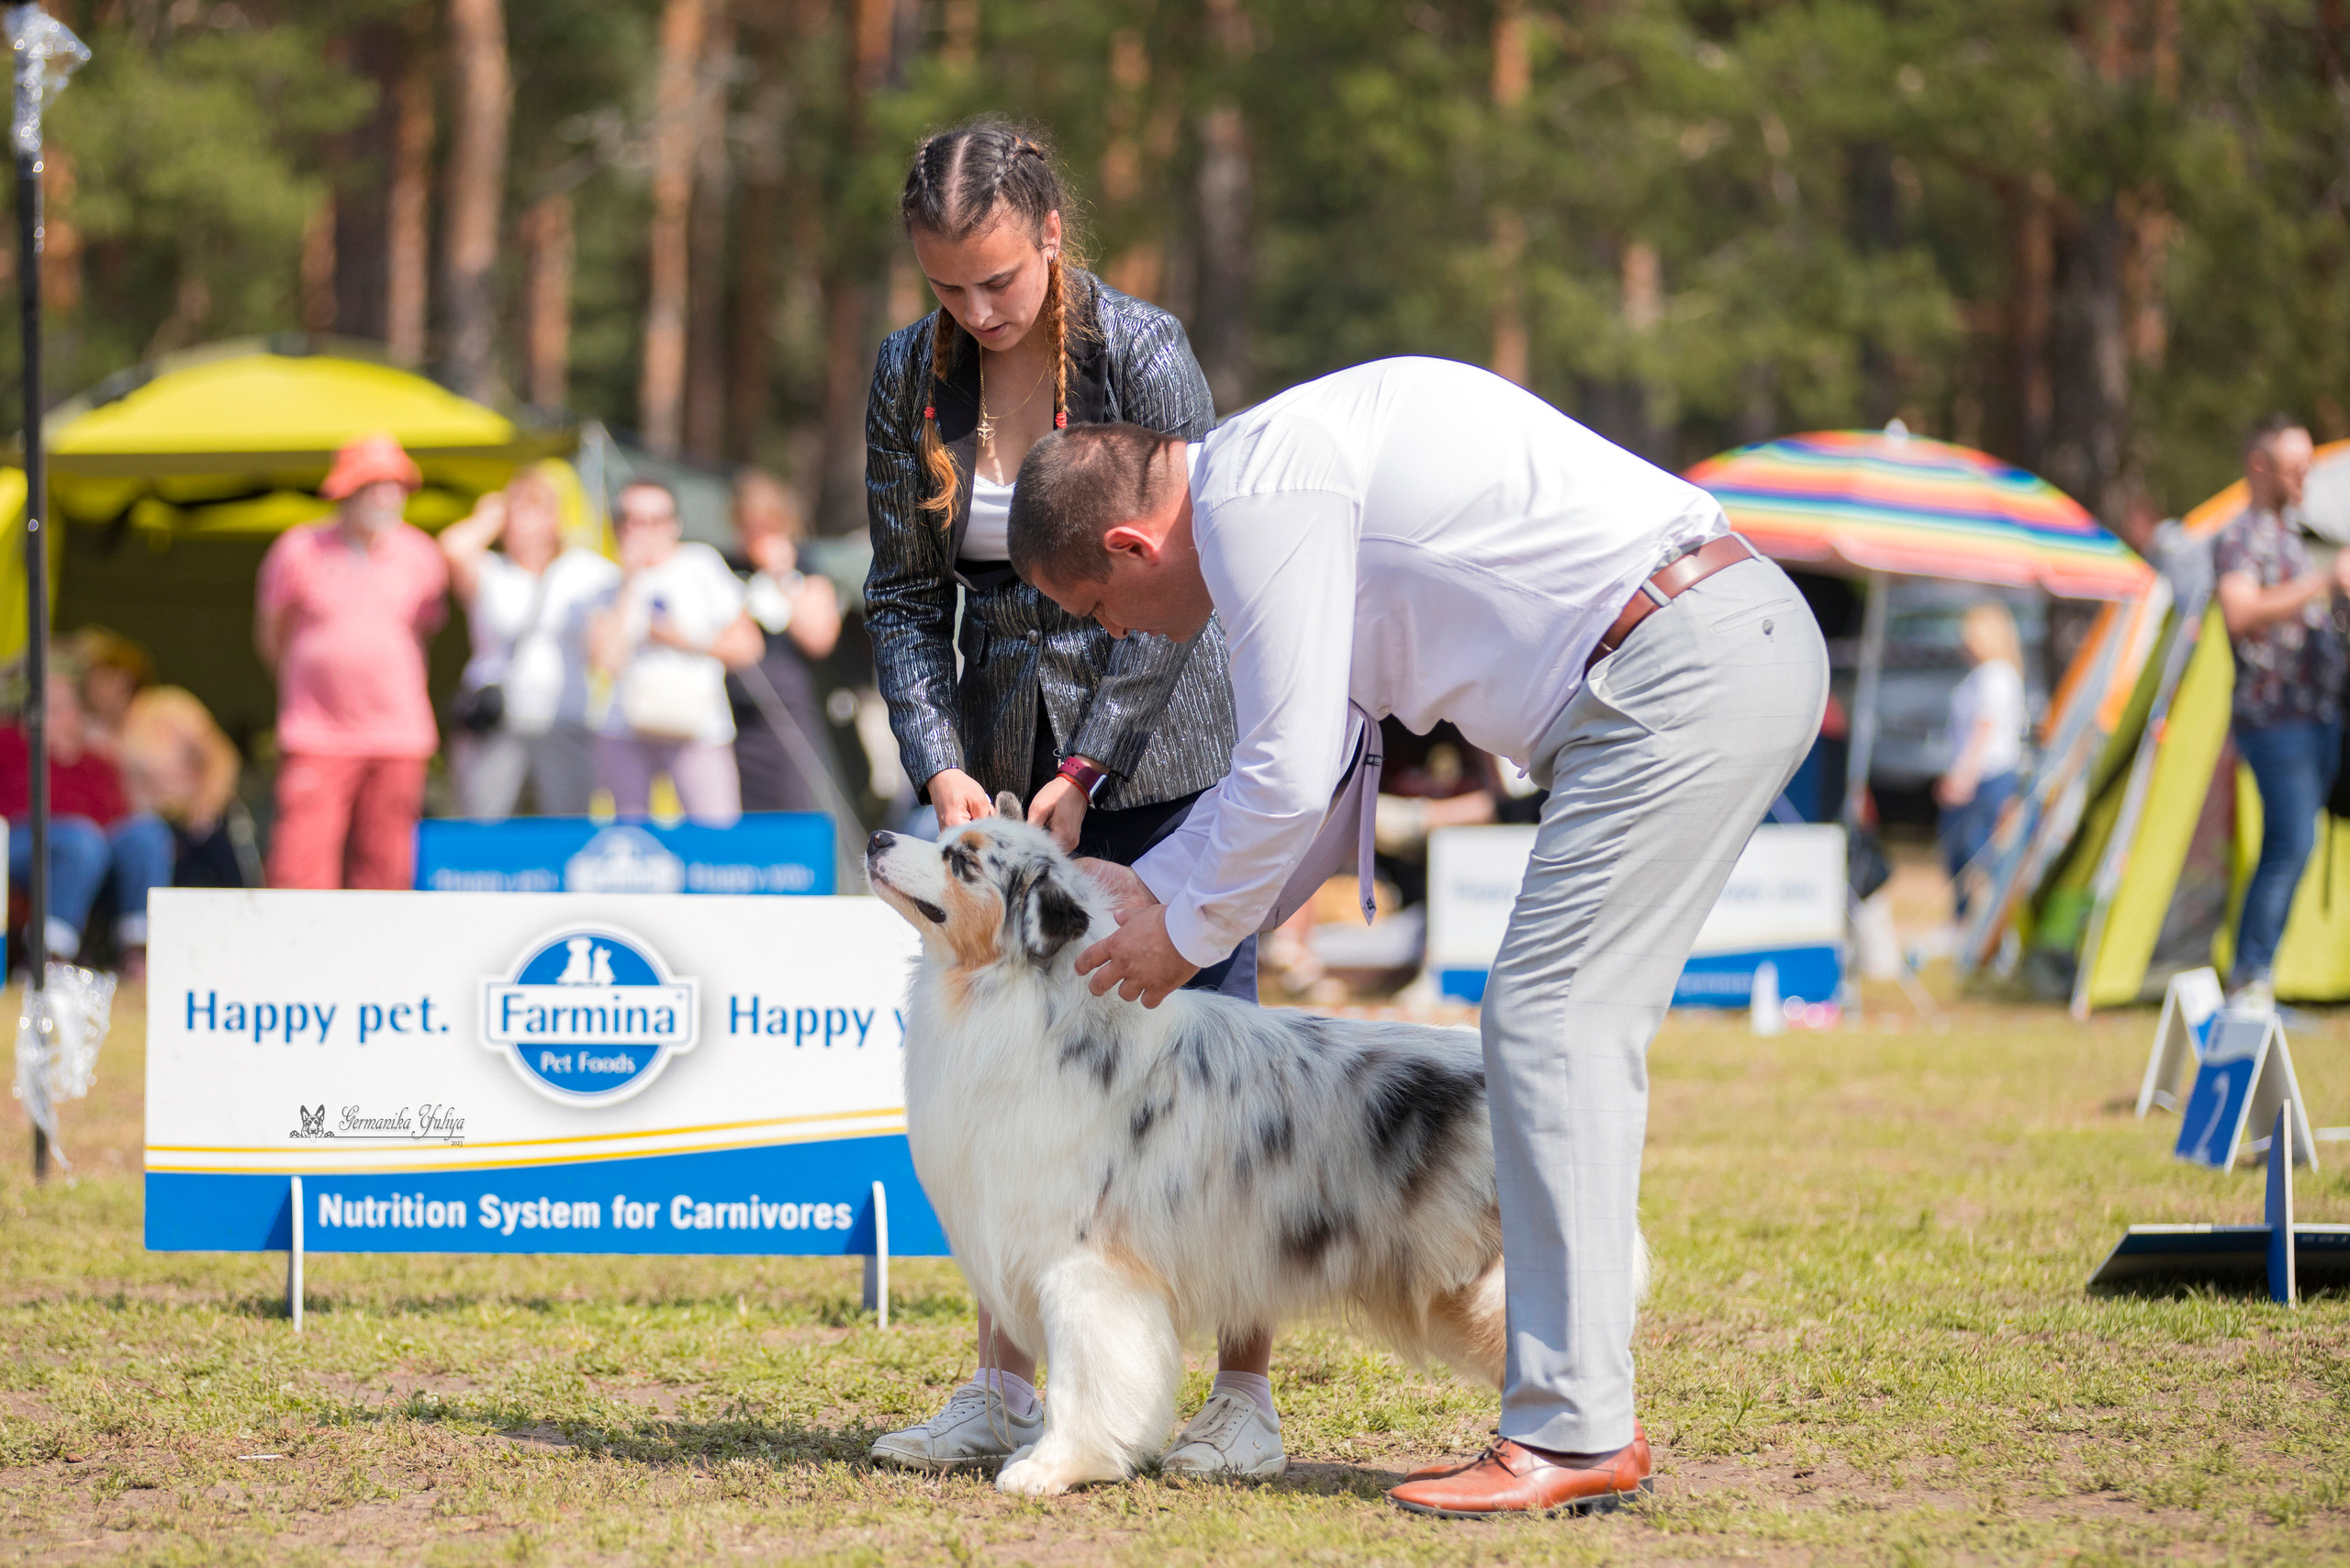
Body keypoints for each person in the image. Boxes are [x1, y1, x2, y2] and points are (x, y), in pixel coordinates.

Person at [1007, 356, 1829, 1518]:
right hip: (1689, 651)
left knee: (1551, 1023)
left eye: (1098, 609)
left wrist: (1180, 933)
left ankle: (1574, 1429)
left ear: (1132, 546)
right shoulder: (1275, 482)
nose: (1118, 632)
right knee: (1554, 1022)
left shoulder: (1258, 497)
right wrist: (1145, 892)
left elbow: (1288, 775)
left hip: (1672, 664)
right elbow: (1328, 756)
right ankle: (1580, 1415)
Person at [861, 120, 1270, 1482]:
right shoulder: (905, 377)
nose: (977, 312)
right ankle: (1003, 1384)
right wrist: (942, 763)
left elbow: (1188, 575)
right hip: (994, 767)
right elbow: (903, 597)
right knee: (1011, 1081)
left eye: (998, 281)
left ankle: (1243, 1394)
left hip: (1159, 754)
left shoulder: (1142, 350)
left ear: (1050, 233)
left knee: (1209, 1073)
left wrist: (1088, 766)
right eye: (947, 288)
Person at [255, 432, 448, 890]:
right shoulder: (297, 549)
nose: (387, 497)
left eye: (396, 486)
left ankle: (378, 941)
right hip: (316, 733)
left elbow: (423, 634)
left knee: (387, 866)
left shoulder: (422, 555)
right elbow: (271, 635)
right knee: (299, 865)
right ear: (345, 491)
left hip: (398, 735)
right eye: (374, 485)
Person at [2212, 415, 2348, 1013]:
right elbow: (2240, 613)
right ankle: (2249, 981)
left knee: (2296, 845)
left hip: (2323, 718)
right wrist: (2322, 582)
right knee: (2290, 843)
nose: (2304, 478)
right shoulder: (2240, 537)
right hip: (2276, 722)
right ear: (2259, 465)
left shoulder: (2297, 536)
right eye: (2294, 467)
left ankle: (2256, 978)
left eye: (2309, 467)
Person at [440, 463, 621, 818]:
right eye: (515, 509)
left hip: (565, 717)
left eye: (534, 508)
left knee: (566, 823)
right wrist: (491, 514)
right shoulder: (493, 571)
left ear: (558, 517)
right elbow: (453, 546)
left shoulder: (588, 571)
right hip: (496, 719)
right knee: (482, 823)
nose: (521, 520)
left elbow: (608, 650)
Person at [587, 477, 762, 825]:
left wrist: (683, 639)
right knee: (631, 839)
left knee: (716, 834)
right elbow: (605, 662)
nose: (643, 531)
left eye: (655, 520)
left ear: (674, 524)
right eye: (633, 520)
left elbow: (749, 646)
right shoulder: (605, 581)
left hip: (699, 727)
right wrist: (629, 581)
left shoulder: (701, 565)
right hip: (625, 727)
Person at [0, 666, 175, 977]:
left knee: (148, 832)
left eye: (62, 705)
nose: (50, 714)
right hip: (19, 841)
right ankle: (47, 957)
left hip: (91, 848)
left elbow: (118, 820)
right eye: (42, 704)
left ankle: (139, 951)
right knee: (82, 840)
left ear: (78, 713)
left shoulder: (98, 760)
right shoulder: (8, 744)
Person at [65, 627, 247, 889]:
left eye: (100, 680)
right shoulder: (92, 730)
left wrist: (208, 802)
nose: (92, 689)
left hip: (193, 823)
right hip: (141, 834)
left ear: (123, 680)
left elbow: (220, 754)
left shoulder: (167, 707)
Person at [725, 472, 843, 812]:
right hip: (731, 708)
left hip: (787, 708)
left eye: (767, 527)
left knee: (792, 803)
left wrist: (783, 577)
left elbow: (819, 639)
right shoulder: (725, 566)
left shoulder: (805, 568)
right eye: (749, 527)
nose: (758, 537)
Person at [1933, 601, 2028, 919]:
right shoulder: (1986, 674)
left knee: (1974, 852)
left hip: (1987, 776)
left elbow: (1984, 727)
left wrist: (1964, 775)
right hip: (1981, 774)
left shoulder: (1995, 675)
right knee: (1962, 851)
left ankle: (1975, 918)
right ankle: (1966, 917)